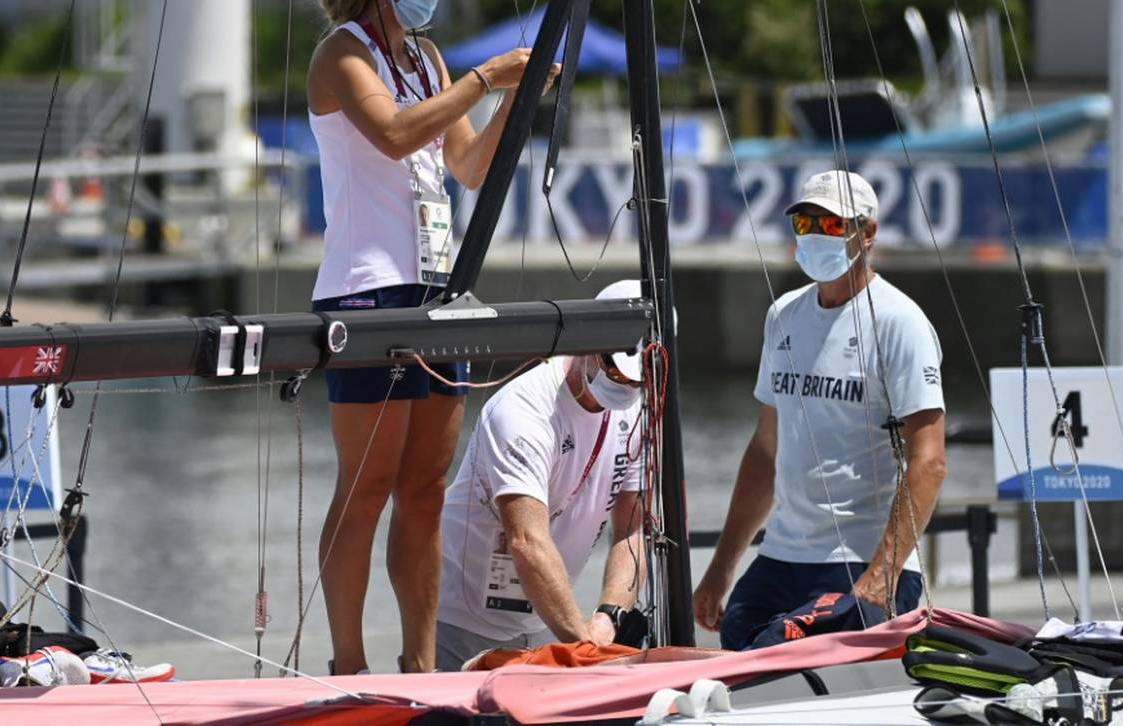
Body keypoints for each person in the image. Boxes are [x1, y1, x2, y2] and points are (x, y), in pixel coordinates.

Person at [305, 0, 560, 674]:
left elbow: (470, 167)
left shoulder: (426, 58)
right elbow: (391, 133)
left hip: (435, 287)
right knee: (367, 484)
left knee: (425, 488)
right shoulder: (342, 51)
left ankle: (421, 664)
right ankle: (347, 664)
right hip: (367, 290)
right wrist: (484, 78)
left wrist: (515, 93)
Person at [692, 171, 948, 651]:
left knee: (775, 649)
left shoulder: (900, 322)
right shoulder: (783, 315)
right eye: (805, 224)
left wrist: (883, 573)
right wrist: (720, 569)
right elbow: (766, 451)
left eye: (830, 225)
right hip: (783, 555)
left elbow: (930, 461)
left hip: (861, 559)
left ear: (866, 234)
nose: (813, 236)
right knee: (736, 637)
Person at [434, 280, 650, 671]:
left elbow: (633, 530)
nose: (625, 386)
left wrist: (609, 614)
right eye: (615, 372)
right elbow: (527, 541)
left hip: (549, 614)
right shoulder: (522, 410)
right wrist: (584, 648)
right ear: (587, 341)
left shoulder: (637, 411)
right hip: (463, 617)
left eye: (637, 381)